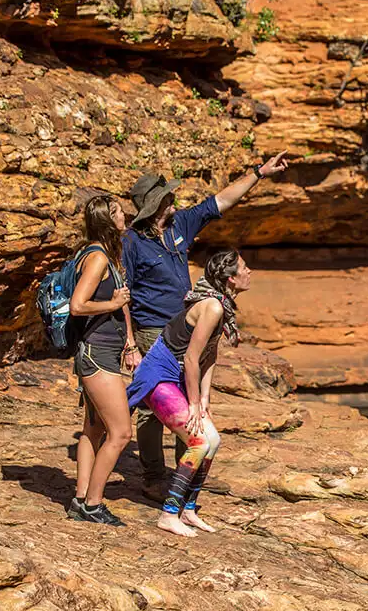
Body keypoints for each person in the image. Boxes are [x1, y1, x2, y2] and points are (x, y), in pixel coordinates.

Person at [123, 152, 288, 502]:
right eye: (169, 197)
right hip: (153, 331)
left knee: (186, 403)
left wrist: (260, 172)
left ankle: (187, 467)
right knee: (156, 407)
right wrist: (130, 342)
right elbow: (124, 293)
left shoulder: (180, 224)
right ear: (156, 205)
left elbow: (221, 201)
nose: (175, 199)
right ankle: (154, 476)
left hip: (186, 324)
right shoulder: (134, 243)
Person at [126, 250, 250, 536]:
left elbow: (209, 354)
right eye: (244, 267)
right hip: (157, 375)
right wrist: (193, 403)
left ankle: (189, 510)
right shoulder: (213, 307)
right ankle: (169, 514)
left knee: (213, 440)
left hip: (177, 376)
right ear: (231, 279)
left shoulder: (222, 305)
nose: (249, 271)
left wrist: (205, 399)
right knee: (197, 442)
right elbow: (192, 358)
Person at [66, 195, 136, 526]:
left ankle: (80, 499)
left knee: (92, 430)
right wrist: (112, 304)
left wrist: (129, 341)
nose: (125, 216)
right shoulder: (97, 259)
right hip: (97, 354)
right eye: (119, 212)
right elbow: (77, 306)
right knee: (121, 433)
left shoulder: (101, 254)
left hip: (100, 351)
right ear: (108, 220)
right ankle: (93, 504)